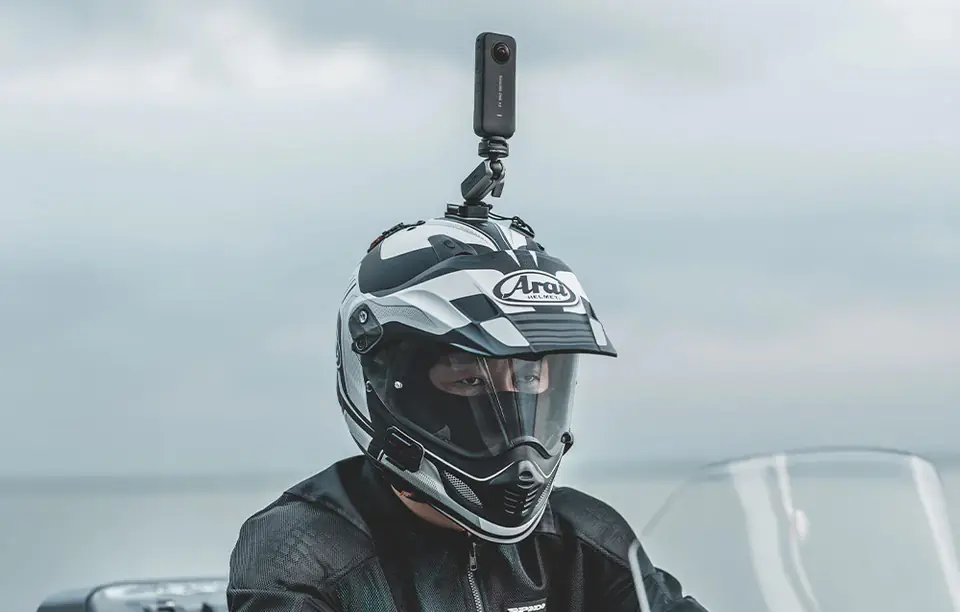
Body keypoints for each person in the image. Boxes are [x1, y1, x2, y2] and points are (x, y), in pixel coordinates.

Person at [226, 213, 708, 611]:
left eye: (527, 379)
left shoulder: (582, 540)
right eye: (468, 380)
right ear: (387, 384)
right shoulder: (302, 549)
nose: (511, 421)